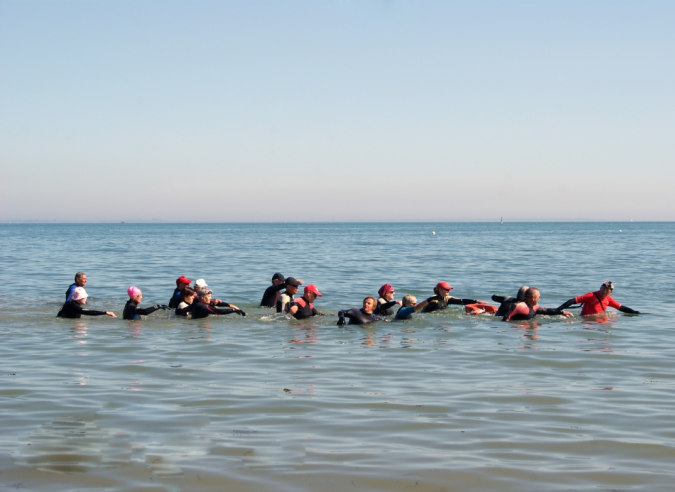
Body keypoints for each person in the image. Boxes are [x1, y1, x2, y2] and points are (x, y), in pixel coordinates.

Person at [556, 281, 640, 316]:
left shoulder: (608, 299)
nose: (604, 292)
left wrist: (634, 312)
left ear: (610, 292)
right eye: (602, 289)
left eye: (606, 290)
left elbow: (621, 307)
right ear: (600, 288)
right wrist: (559, 309)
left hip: (599, 322)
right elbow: (573, 301)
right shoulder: (590, 296)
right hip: (587, 321)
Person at [503, 287, 573, 321]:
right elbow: (506, 318)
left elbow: (546, 311)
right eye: (539, 297)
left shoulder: (534, 307)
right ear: (533, 298)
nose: (540, 298)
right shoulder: (521, 306)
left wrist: (562, 312)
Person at [422, 281, 488, 313]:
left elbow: (461, 301)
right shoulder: (433, 300)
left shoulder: (447, 298)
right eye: (447, 289)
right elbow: (425, 313)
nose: (449, 290)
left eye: (449, 289)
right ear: (440, 290)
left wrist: (476, 301)